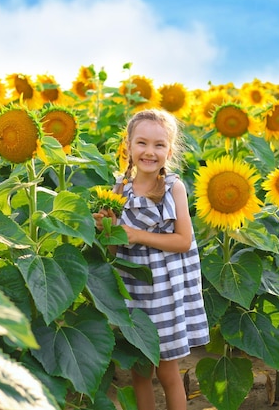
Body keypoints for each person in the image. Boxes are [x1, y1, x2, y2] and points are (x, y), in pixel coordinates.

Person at [94, 109, 209, 410]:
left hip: (165, 293)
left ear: (169, 151)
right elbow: (115, 252)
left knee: (168, 371)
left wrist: (136, 234)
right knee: (139, 371)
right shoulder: (118, 189)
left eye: (159, 145)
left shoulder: (174, 188)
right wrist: (107, 230)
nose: (149, 151)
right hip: (133, 292)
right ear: (128, 147)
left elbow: (183, 241)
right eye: (142, 143)